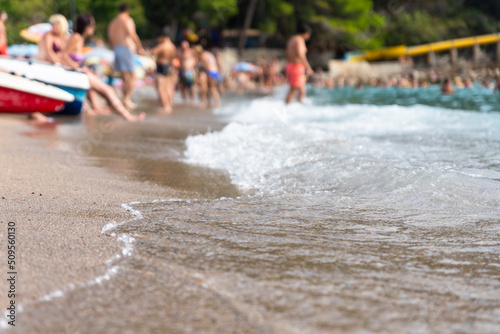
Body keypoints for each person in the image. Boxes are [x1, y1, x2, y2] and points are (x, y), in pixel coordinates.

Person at [62, 13, 145, 122]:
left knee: (105, 90)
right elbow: (64, 56)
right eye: (92, 25)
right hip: (77, 73)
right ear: (85, 25)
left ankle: (103, 109)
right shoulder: (76, 37)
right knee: (108, 90)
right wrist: (78, 67)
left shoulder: (80, 39)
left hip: (80, 72)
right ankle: (127, 116)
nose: (94, 27)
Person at [107, 3, 145, 110]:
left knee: (124, 76)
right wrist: (140, 47)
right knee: (131, 76)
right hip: (126, 48)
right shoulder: (127, 20)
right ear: (128, 11)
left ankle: (124, 99)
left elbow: (110, 38)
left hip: (116, 49)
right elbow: (131, 33)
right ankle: (126, 100)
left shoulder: (113, 22)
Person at [285, 23, 314, 104]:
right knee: (298, 91)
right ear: (306, 33)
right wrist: (308, 68)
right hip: (296, 67)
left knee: (297, 90)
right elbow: (301, 55)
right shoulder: (300, 40)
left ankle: (291, 107)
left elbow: (287, 54)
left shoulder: (292, 39)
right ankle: (290, 108)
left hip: (290, 65)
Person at [151, 27, 177, 113]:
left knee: (161, 88)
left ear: (161, 36)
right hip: (169, 66)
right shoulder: (172, 46)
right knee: (168, 87)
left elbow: (153, 52)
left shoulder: (162, 45)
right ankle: (169, 104)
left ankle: (166, 107)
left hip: (161, 66)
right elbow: (173, 58)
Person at [177, 40, 197, 105]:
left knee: (191, 86)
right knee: (182, 86)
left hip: (189, 71)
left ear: (188, 46)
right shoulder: (179, 52)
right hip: (181, 71)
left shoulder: (191, 52)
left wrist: (194, 68)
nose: (183, 47)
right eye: (182, 46)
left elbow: (196, 59)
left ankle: (192, 100)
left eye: (185, 46)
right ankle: (184, 100)